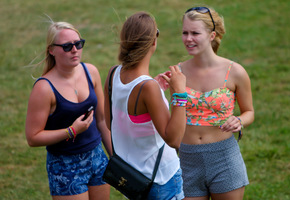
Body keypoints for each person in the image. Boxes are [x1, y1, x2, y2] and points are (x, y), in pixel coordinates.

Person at [103, 11, 187, 200]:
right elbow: (174, 140)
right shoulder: (147, 88)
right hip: (162, 180)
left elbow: (111, 123)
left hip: (135, 179)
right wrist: (179, 94)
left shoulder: (113, 74)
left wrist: (154, 94)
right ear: (153, 42)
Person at [25, 20, 112, 200]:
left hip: (97, 157)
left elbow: (102, 120)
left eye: (78, 44)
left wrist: (115, 158)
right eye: (67, 46)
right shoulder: (44, 88)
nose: (74, 50)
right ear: (51, 50)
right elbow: (33, 137)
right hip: (65, 166)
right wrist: (71, 131)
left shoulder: (91, 72)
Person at [174, 6, 254, 200]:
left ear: (212, 35)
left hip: (224, 158)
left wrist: (239, 121)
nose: (188, 38)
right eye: (185, 32)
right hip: (186, 159)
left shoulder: (235, 72)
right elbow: (174, 118)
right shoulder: (177, 72)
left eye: (195, 33)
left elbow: (249, 111)